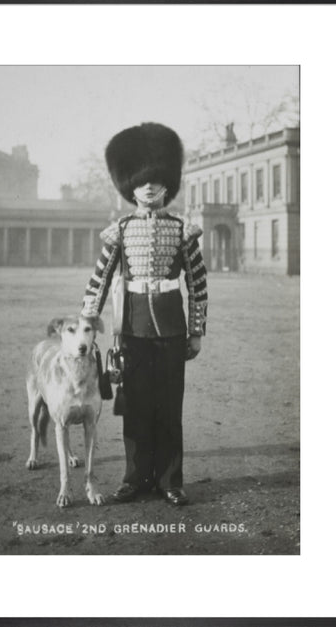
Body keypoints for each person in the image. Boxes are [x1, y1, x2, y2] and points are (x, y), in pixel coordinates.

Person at [82, 122, 207, 506]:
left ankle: (170, 480)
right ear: (129, 187)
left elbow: (198, 283)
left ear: (168, 185)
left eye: (156, 180)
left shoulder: (182, 230)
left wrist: (196, 331)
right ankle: (135, 477)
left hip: (171, 329)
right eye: (141, 181)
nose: (149, 187)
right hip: (132, 330)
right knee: (135, 408)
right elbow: (100, 278)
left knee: (169, 408)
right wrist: (88, 320)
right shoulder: (119, 229)